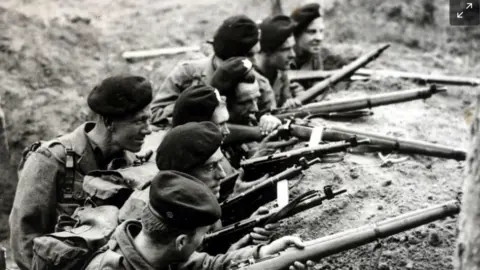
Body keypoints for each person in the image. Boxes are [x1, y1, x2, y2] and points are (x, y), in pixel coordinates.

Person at [9, 75, 153, 270]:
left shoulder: (131, 163)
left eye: (149, 119)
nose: (148, 130)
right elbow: (24, 238)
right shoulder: (50, 160)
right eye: (140, 121)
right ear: (109, 122)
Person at [85, 170, 312, 270]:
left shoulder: (157, 250)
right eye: (203, 233)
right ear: (182, 242)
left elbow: (209, 265)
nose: (204, 239)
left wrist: (263, 254)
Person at [150, 15, 277, 130]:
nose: (255, 62)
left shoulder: (260, 84)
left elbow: (266, 120)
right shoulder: (187, 74)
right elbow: (155, 116)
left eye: (257, 54)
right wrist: (194, 104)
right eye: (249, 55)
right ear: (229, 55)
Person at [256, 14, 305, 109]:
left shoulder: (281, 74)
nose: (293, 55)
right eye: (285, 49)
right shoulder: (248, 77)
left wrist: (289, 104)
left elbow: (284, 104)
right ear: (267, 51)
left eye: (292, 48)